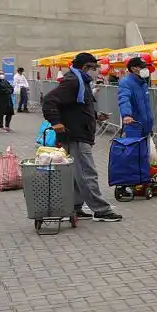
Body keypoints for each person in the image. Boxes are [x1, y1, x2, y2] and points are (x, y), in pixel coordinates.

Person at [41, 52, 124, 222]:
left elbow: (77, 107)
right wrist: (56, 123)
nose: (97, 71)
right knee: (87, 173)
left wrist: (95, 115)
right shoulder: (73, 81)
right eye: (94, 68)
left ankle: (75, 207)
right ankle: (101, 210)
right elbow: (49, 100)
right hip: (76, 135)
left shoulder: (81, 81)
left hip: (80, 132)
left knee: (77, 174)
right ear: (86, 67)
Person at [117, 55, 156, 177]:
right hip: (134, 125)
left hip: (145, 125)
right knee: (134, 154)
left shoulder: (143, 83)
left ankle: (144, 178)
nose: (146, 70)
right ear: (134, 68)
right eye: (143, 67)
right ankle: (133, 179)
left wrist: (150, 125)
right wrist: (127, 115)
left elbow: (146, 107)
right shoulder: (126, 83)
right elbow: (124, 99)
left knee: (146, 155)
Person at [0, 66, 16, 132]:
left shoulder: (5, 81)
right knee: (0, 114)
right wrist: (7, 91)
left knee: (9, 113)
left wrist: (8, 91)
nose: (1, 75)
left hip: (8, 99)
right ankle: (1, 127)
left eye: (2, 73)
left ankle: (7, 126)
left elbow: (11, 88)